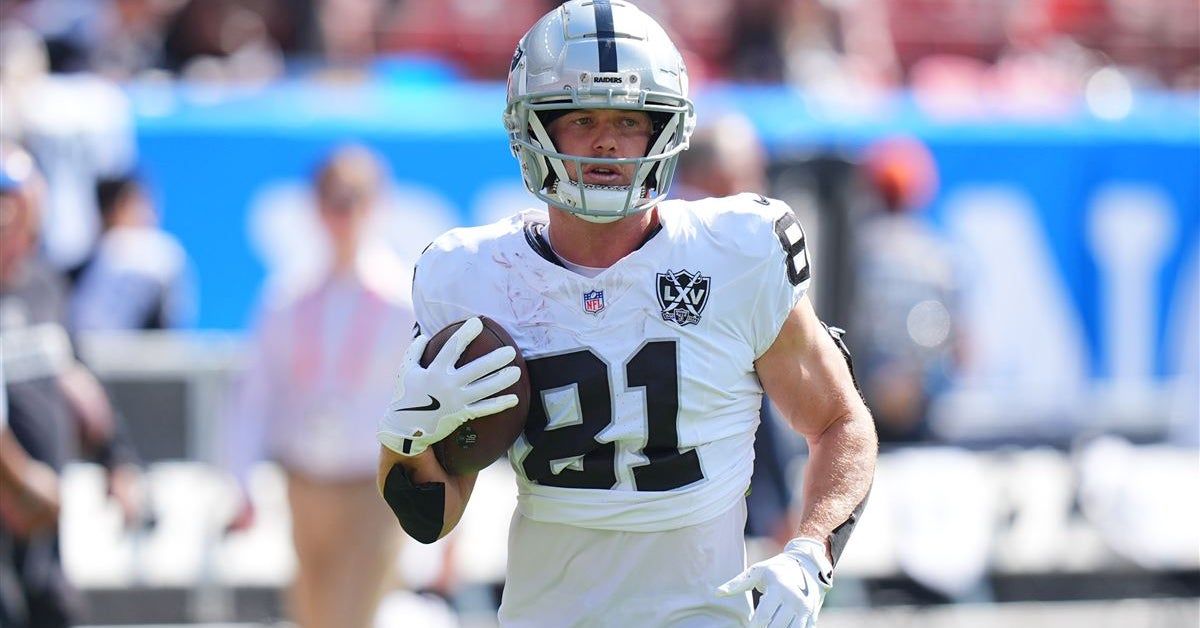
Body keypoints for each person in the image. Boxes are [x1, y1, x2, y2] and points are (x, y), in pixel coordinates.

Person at [377, 1, 877, 626]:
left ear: (665, 127)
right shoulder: (472, 275)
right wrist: (404, 439)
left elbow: (839, 421)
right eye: (582, 118)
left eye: (629, 119)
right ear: (533, 128)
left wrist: (812, 551)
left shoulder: (737, 251)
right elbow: (432, 516)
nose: (607, 140)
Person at [223, 145, 414, 628]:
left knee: (354, 615)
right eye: (333, 200)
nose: (344, 214)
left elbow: (433, 404)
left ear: (377, 204)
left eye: (355, 199)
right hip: (304, 482)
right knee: (312, 614)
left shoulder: (402, 298)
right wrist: (240, 478)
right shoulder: (288, 295)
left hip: (375, 484)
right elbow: (256, 392)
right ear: (315, 206)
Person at [0, 142, 143, 628]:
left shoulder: (43, 285)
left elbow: (78, 373)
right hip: (18, 498)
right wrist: (18, 479)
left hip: (40, 524)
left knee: (56, 608)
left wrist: (117, 460)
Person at [675, 113, 802, 552]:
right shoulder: (727, 254)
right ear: (718, 176)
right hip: (707, 496)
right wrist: (782, 504)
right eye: (749, 173)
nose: (759, 187)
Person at [70, 173, 195, 331]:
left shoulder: (74, 269)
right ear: (115, 208)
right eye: (138, 204)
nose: (150, 214)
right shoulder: (158, 252)